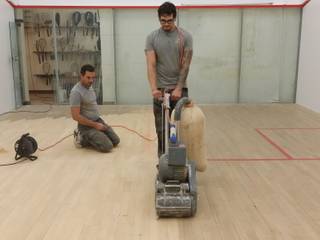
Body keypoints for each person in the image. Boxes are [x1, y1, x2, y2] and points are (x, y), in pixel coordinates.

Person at [145, 2, 193, 157]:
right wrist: (154, 89)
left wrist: (179, 88)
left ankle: (182, 162)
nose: (166, 24)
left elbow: (185, 65)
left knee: (182, 127)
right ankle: (164, 163)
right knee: (162, 130)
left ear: (175, 18)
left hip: (180, 90)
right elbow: (151, 65)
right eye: (163, 21)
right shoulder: (152, 37)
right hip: (160, 91)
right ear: (159, 19)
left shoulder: (185, 36)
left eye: (169, 20)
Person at [70, 64, 120, 152]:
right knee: (107, 146)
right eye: (88, 77)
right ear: (81, 76)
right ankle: (81, 138)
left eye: (93, 78)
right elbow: (75, 116)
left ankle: (96, 135)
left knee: (116, 141)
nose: (91, 80)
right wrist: (95, 125)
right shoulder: (76, 92)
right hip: (86, 127)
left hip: (98, 120)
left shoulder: (89, 85)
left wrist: (98, 123)